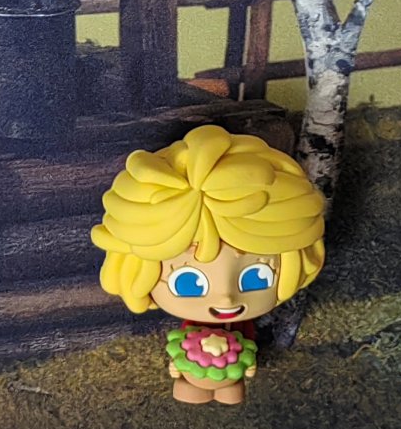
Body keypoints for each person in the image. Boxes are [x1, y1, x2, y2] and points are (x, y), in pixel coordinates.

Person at [91, 124, 325, 403]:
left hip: (232, 368)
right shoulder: (192, 324)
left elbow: (246, 341)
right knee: (192, 390)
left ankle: (226, 390)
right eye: (188, 282)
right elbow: (181, 346)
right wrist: (177, 365)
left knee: (231, 392)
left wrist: (248, 363)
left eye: (257, 276)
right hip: (196, 370)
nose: (226, 298)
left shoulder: (240, 326)